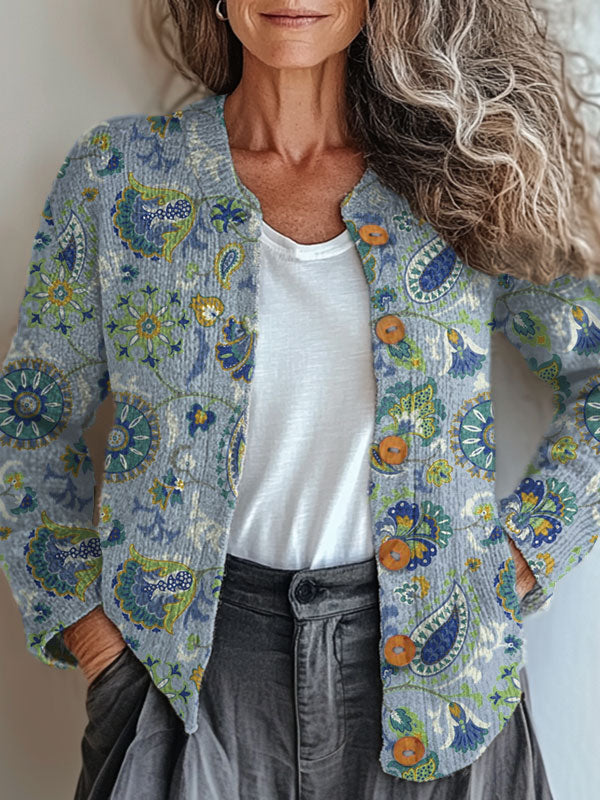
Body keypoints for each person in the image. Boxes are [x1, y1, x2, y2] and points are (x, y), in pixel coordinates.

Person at [2, 0, 600, 797]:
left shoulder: (462, 176)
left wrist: (517, 560)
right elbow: (28, 423)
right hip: (184, 685)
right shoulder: (119, 178)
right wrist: (94, 639)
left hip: (442, 684)